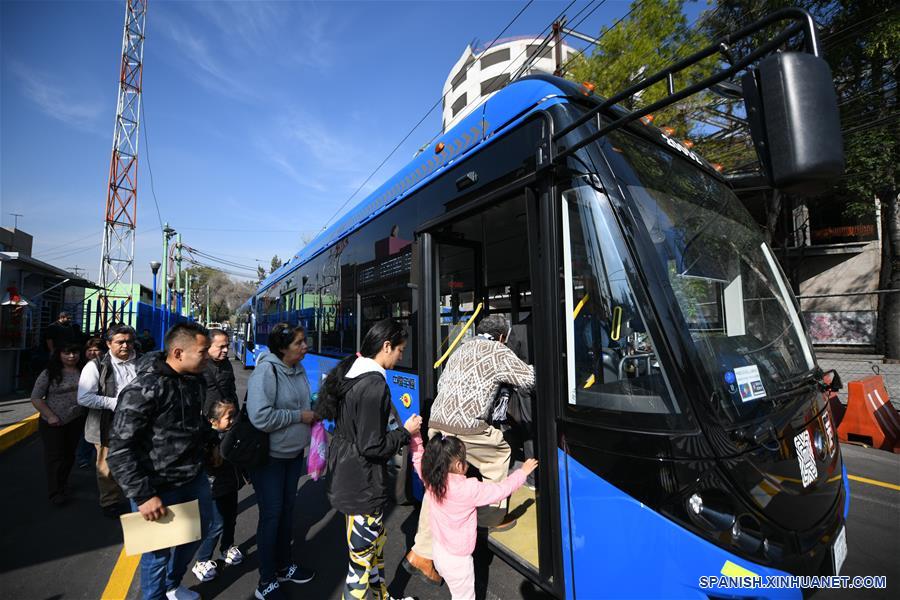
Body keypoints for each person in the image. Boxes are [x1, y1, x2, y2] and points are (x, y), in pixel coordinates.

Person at [404, 314, 535, 585]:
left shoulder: (462, 346)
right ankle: (491, 516)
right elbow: (530, 379)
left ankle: (421, 552)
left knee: (438, 482)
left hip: (437, 421)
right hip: (467, 427)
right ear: (502, 337)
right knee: (500, 454)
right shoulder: (498, 350)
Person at [107, 322, 214, 600]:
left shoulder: (195, 380)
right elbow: (119, 448)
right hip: (157, 487)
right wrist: (143, 496)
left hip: (194, 477)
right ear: (178, 353)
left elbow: (193, 422)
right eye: (203, 351)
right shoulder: (144, 388)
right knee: (157, 555)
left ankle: (172, 585)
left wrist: (212, 444)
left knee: (200, 530)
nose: (209, 356)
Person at [317, 318, 421, 600]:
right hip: (362, 483)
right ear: (386, 346)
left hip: (348, 476)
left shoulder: (353, 371)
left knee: (370, 547)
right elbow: (373, 446)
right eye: (400, 350)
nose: (401, 357)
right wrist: (405, 432)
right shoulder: (374, 385)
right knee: (360, 564)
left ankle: (381, 595)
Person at [411, 432, 537, 600]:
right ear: (457, 465)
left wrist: (415, 437)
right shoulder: (468, 489)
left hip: (439, 552)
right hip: (459, 562)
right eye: (465, 460)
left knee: (457, 593)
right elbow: (501, 490)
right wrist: (522, 472)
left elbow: (418, 457)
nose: (467, 464)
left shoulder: (431, 478)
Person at [246, 322, 318, 600]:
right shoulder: (267, 370)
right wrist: (299, 417)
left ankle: (284, 566)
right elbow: (261, 417)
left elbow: (302, 401)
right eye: (299, 343)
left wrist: (313, 407)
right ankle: (266, 581)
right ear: (282, 348)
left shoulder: (298, 368)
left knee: (287, 511)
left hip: (292, 454)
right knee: (272, 515)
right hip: (270, 459)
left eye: (304, 341)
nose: (305, 347)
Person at [77, 324, 139, 517]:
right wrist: (115, 403)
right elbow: (84, 397)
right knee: (107, 465)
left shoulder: (143, 362)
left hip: (139, 422)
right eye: (120, 342)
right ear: (109, 343)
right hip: (107, 423)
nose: (125, 346)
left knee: (138, 461)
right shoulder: (96, 365)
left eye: (129, 341)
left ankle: (137, 499)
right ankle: (110, 502)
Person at [191, 397, 244, 582]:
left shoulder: (232, 434)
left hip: (231, 486)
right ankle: (202, 560)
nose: (233, 420)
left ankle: (227, 547)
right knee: (217, 525)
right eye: (229, 417)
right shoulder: (210, 441)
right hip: (216, 490)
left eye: (234, 416)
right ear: (213, 422)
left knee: (231, 519)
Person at [30, 342, 87, 505]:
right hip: (53, 422)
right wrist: (50, 416)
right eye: (67, 353)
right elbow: (35, 397)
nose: (71, 356)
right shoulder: (49, 373)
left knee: (69, 455)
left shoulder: (84, 371)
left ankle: (63, 484)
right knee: (55, 457)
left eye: (75, 352)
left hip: (75, 420)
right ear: (59, 354)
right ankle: (55, 492)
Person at [75, 337, 106, 469]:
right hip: (79, 406)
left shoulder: (103, 365)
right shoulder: (78, 364)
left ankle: (87, 457)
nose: (92, 352)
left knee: (91, 433)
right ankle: (84, 457)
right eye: (89, 349)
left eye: (96, 350)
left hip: (95, 405)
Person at [205, 329, 237, 406]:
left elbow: (231, 390)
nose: (226, 350)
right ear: (208, 346)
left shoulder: (227, 364)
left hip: (224, 415)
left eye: (227, 346)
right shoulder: (199, 366)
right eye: (221, 346)